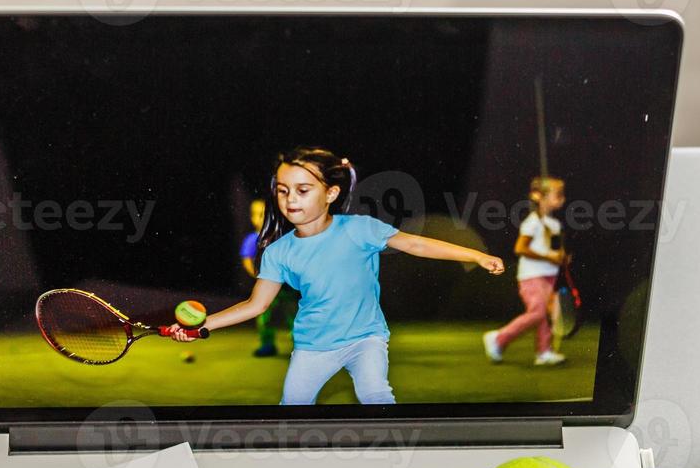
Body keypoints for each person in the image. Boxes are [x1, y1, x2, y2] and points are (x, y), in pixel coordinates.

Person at [170, 147, 505, 405]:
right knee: (292, 410)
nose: (290, 199)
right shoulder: (279, 252)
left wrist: (475, 255)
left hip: (365, 339)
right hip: (313, 347)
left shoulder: (360, 229)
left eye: (303, 190)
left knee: (376, 395)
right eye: (283, 191)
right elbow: (255, 305)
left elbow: (415, 243)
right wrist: (200, 327)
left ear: (331, 193)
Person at [484, 176, 569, 367]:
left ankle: (544, 352)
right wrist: (550, 257)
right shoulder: (532, 222)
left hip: (549, 275)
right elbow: (520, 248)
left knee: (545, 315)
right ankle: (498, 338)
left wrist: (561, 257)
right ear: (540, 197)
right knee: (538, 313)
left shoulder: (554, 225)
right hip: (531, 276)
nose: (562, 198)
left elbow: (554, 251)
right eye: (558, 194)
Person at [238, 199, 280, 358]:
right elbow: (247, 259)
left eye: (266, 214)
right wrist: (256, 276)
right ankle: (267, 344)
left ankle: (302, 345)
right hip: (265, 286)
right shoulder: (252, 239)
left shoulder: (279, 236)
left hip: (287, 286)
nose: (262, 218)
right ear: (252, 218)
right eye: (259, 215)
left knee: (294, 315)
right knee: (265, 316)